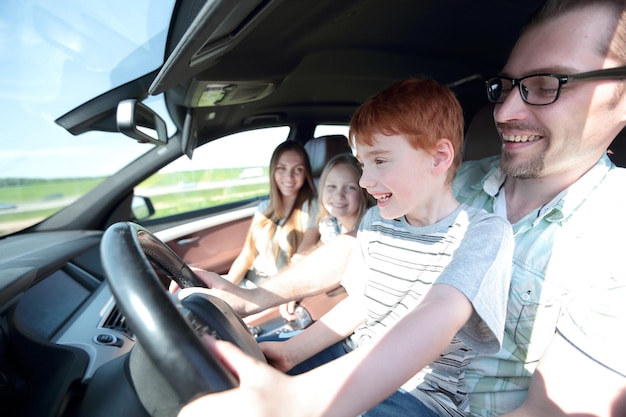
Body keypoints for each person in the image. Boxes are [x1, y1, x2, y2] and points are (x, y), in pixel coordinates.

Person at [179, 1, 626, 415]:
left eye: (547, 85)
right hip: (360, 361)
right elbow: (364, 253)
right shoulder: (458, 181)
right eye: (504, 86)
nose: (505, 110)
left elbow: (551, 410)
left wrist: (303, 400)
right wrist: (261, 298)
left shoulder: (612, 234)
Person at [181, 77, 515, 416]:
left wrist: (301, 397)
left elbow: (438, 316)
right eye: (363, 164)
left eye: (380, 161)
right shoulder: (376, 224)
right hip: (350, 353)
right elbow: (363, 304)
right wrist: (292, 352)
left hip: (422, 393)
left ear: (439, 157)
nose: (365, 181)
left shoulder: (483, 233)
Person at [280, 152, 374, 320]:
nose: (339, 195)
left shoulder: (368, 224)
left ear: (363, 192)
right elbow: (325, 250)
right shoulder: (330, 223)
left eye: (350, 187)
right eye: (331, 186)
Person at [225, 140, 318, 287]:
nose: (289, 177)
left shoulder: (312, 208)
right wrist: (227, 288)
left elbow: (300, 263)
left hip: (276, 287)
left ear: (305, 173)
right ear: (273, 171)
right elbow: (246, 255)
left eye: (298, 169)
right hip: (249, 281)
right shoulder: (264, 208)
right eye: (282, 168)